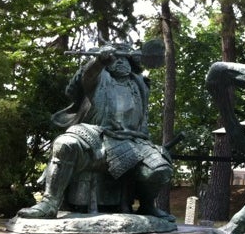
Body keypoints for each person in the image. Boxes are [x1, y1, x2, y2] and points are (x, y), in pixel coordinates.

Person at [17, 43, 175, 221]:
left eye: (124, 58)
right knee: (64, 144)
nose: (121, 62)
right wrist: (98, 61)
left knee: (161, 169)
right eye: (115, 59)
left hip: (133, 142)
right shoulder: (99, 78)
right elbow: (88, 75)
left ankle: (147, 206)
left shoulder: (140, 85)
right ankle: (49, 203)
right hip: (96, 136)